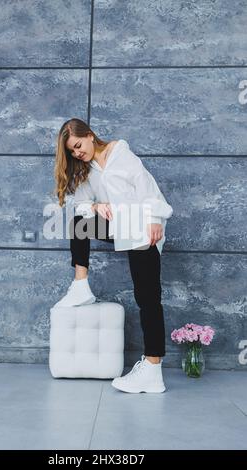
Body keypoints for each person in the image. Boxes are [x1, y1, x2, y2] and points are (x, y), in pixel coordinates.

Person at [53, 118, 173, 393]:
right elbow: (80, 203)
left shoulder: (120, 153)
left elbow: (146, 187)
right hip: (121, 226)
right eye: (71, 151)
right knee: (79, 224)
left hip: (143, 226)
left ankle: (153, 369)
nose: (76, 153)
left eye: (78, 145)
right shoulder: (86, 170)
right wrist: (96, 205)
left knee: (148, 298)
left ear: (91, 135)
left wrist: (154, 218)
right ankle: (81, 286)